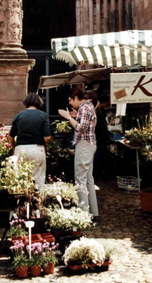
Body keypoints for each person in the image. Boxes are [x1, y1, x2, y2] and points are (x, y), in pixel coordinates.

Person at [58, 87, 99, 219]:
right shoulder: (88, 106)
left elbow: (81, 128)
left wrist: (69, 117)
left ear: (76, 97)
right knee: (88, 180)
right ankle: (93, 212)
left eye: (70, 100)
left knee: (81, 180)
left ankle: (83, 214)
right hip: (89, 144)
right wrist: (75, 115)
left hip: (84, 145)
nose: (70, 103)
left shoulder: (85, 108)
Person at [10, 92, 51, 190]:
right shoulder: (43, 115)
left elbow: (11, 137)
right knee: (38, 180)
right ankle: (38, 203)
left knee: (21, 180)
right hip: (37, 149)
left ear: (26, 102)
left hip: (20, 149)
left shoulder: (19, 115)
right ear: (38, 102)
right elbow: (47, 138)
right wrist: (46, 146)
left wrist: (15, 148)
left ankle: (22, 203)